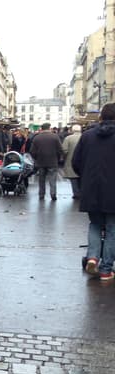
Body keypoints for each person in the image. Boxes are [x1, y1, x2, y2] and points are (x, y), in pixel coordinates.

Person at [73, 104, 115, 281]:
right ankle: (106, 269)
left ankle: (92, 257)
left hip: (91, 189)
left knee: (95, 225)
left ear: (101, 117)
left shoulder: (87, 136)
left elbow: (76, 162)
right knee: (113, 229)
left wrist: (86, 177)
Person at [29, 122, 63, 201]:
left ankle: (41, 194)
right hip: (53, 161)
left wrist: (36, 158)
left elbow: (32, 151)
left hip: (41, 161)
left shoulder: (37, 138)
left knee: (41, 179)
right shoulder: (55, 137)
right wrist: (58, 158)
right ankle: (53, 194)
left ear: (42, 129)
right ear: (49, 128)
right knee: (52, 179)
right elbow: (60, 149)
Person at [61, 124, 83, 199]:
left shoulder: (68, 138)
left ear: (72, 130)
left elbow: (64, 150)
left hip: (70, 161)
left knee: (73, 178)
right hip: (83, 161)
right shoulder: (85, 137)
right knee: (81, 177)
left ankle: (76, 193)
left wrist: (64, 158)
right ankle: (82, 192)